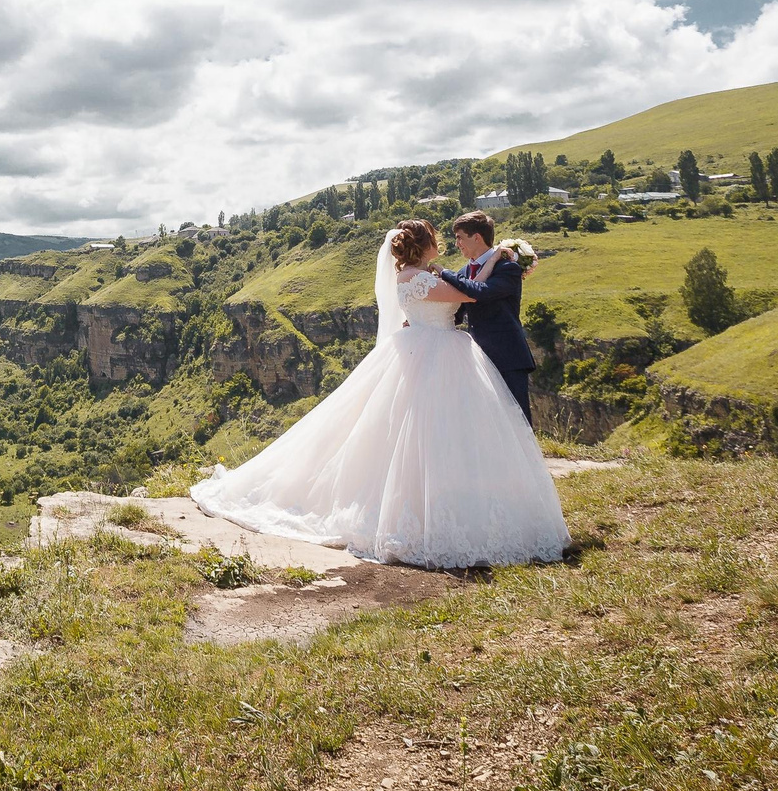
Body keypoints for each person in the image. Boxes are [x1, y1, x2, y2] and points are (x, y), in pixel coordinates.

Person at [189, 219, 569, 568]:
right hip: (435, 350)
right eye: (437, 239)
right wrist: (488, 261)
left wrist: (488, 263)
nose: (443, 244)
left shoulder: (416, 275)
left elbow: (462, 296)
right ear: (423, 245)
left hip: (434, 346)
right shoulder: (417, 277)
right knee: (424, 430)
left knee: (436, 432)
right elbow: (469, 297)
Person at [434, 211, 536, 425]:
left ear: (477, 237)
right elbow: (458, 312)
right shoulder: (464, 271)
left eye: (460, 237)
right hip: (478, 359)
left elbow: (479, 292)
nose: (457, 243)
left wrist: (445, 273)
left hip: (507, 357)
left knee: (517, 422)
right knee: (489, 425)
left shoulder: (508, 268)